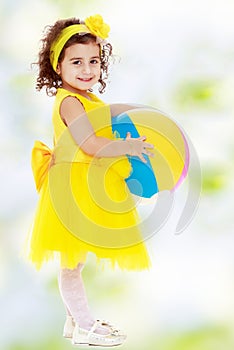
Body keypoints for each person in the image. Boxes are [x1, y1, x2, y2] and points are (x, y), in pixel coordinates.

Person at [25, 14, 154, 347]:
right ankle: (83, 325)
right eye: (77, 62)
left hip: (83, 186)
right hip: (72, 189)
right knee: (71, 264)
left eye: (94, 61)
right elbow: (90, 144)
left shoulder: (86, 98)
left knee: (76, 261)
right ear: (58, 67)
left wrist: (141, 112)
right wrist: (128, 147)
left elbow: (110, 112)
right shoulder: (69, 102)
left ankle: (74, 320)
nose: (87, 70)